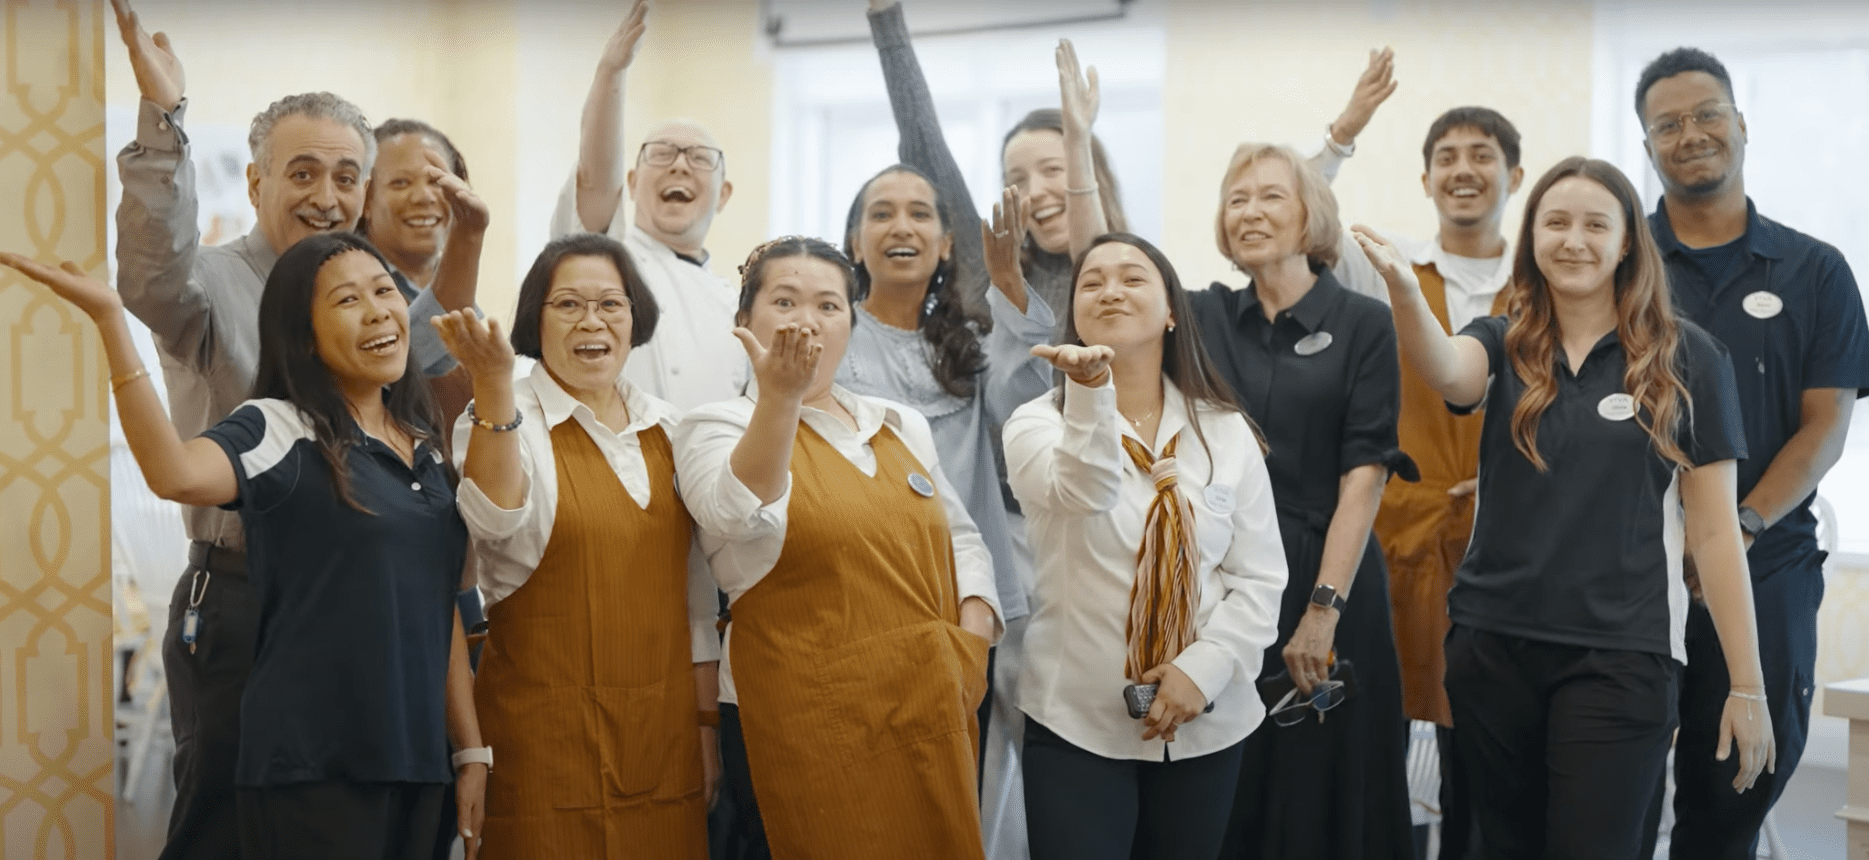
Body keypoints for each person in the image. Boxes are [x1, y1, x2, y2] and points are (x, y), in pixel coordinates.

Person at [108, 2, 482, 857]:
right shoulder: (205, 286)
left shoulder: (375, 290)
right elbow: (148, 269)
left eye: (347, 176)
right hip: (243, 600)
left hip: (362, 608)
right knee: (224, 831)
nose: (327, 196)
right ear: (255, 183)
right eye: (302, 173)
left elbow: (439, 370)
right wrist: (164, 121)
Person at [3, 233, 487, 860]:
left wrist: (469, 749)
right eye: (346, 300)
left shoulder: (424, 446)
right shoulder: (277, 427)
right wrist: (109, 323)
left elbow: (437, 602)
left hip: (420, 764)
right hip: (312, 764)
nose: (376, 312)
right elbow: (173, 472)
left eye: (383, 291)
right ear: (304, 335)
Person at [1353, 155, 1777, 859]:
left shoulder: (1687, 357)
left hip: (1621, 658)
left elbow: (1712, 532)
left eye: (1593, 224)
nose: (1572, 240)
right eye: (1555, 222)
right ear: (1532, 240)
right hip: (1491, 649)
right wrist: (1403, 289)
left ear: (1624, 244)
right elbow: (1444, 370)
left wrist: (1747, 685)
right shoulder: (1501, 339)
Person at [673, 236, 1001, 859]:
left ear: (852, 322)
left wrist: (969, 647)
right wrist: (779, 399)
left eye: (829, 305)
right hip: (801, 722)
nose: (806, 322)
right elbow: (738, 515)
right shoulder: (713, 425)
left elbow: (960, 538)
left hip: (923, 711)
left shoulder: (898, 423)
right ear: (744, 320)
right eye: (785, 302)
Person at [1630, 48, 1869, 860]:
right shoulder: (1620, 268)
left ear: (1740, 124)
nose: (1689, 133)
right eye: (1667, 124)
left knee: (1737, 783)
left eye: (1706, 114)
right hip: (1627, 569)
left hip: (1764, 558)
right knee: (1613, 785)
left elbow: (1823, 428)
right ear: (1646, 146)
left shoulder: (1814, 272)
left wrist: (1739, 527)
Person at [1003, 232, 1288, 860]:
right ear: (1074, 314)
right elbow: (1086, 490)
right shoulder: (1036, 423)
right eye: (1091, 281)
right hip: (1077, 716)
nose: (1110, 289)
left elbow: (1260, 578)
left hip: (1209, 718)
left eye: (1133, 277)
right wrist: (1091, 392)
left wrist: (1201, 671)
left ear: (1168, 312)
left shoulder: (1225, 430)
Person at [437, 233, 720, 859]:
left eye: (610, 305)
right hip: (544, 741)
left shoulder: (672, 428)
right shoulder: (508, 418)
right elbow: (495, 520)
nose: (592, 322)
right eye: (568, 305)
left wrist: (705, 729)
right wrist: (492, 383)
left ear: (634, 317)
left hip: (663, 737)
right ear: (535, 319)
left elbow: (698, 604)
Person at [1185, 143, 1417, 859]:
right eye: (1235, 199)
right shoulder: (1202, 317)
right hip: (1226, 585)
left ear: (1310, 213)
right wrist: (1077, 145)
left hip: (1329, 570)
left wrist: (1323, 610)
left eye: (1269, 196)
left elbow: (1364, 475)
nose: (1249, 211)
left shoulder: (1363, 321)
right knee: (1230, 783)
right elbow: (1110, 268)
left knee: (1331, 789)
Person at [1332, 104, 1527, 859]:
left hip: (1514, 545)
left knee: (1485, 748)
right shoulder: (1389, 273)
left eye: (1481, 155)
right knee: (1390, 731)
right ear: (1424, 179)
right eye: (1446, 156)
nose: (1462, 170)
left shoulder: (1547, 282)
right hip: (1404, 536)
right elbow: (1313, 227)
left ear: (1514, 176)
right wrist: (1342, 133)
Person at [837, 163, 1033, 731]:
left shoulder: (970, 344)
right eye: (882, 214)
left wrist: (1010, 289)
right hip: (859, 592)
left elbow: (1026, 406)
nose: (902, 227)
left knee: (953, 775)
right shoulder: (831, 332)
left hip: (962, 596)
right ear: (855, 243)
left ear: (946, 245)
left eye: (919, 214)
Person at [550, 1, 745, 412]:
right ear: (633, 183)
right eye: (662, 153)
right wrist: (611, 74)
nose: (679, 164)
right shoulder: (610, 256)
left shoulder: (734, 302)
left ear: (724, 194)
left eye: (699, 157)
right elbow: (595, 175)